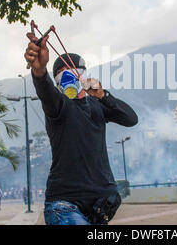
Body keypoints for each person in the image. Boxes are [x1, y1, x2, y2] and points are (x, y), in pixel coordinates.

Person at [24, 32, 138, 225]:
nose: (68, 76)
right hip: (65, 205)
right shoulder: (59, 106)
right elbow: (45, 90)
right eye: (62, 72)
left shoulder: (97, 105)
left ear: (84, 75)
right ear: (57, 81)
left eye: (74, 70)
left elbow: (130, 119)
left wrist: (103, 95)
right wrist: (39, 70)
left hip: (99, 208)